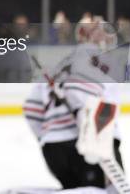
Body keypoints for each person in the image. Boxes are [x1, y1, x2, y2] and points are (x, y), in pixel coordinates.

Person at [23, 16, 124, 191]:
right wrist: (95, 137)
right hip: (85, 148)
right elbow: (101, 107)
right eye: (102, 32)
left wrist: (48, 135)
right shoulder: (103, 62)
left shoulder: (58, 65)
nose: (107, 37)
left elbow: (31, 108)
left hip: (53, 150)